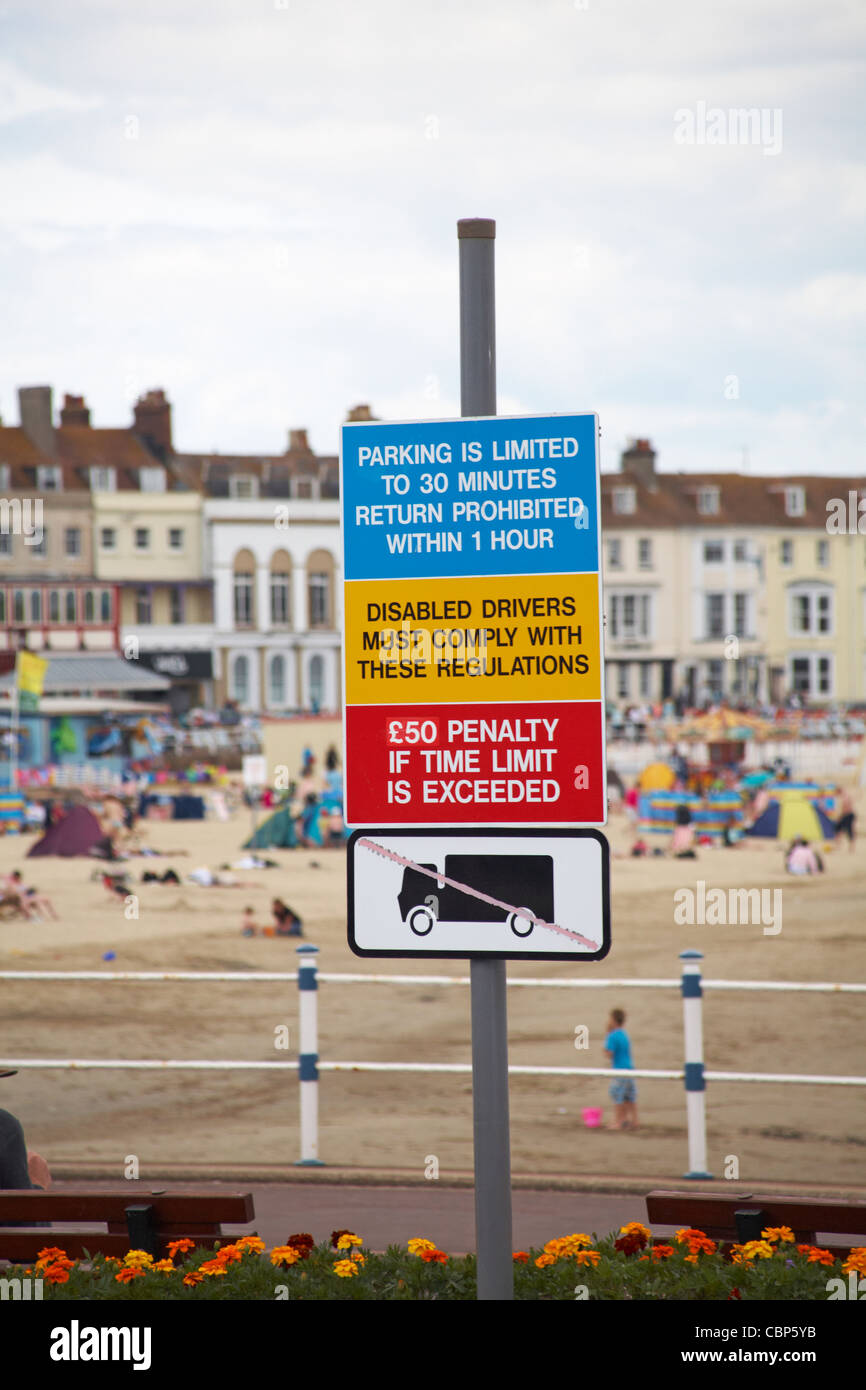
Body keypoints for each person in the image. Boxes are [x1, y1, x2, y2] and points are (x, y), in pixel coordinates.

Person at [604, 1009, 638, 1132]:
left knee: (617, 1094)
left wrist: (607, 1034)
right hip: (629, 1067)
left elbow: (609, 1053)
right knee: (629, 1096)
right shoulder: (624, 1034)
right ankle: (634, 1120)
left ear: (613, 1020)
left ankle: (619, 1121)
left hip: (619, 1069)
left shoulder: (612, 1036)